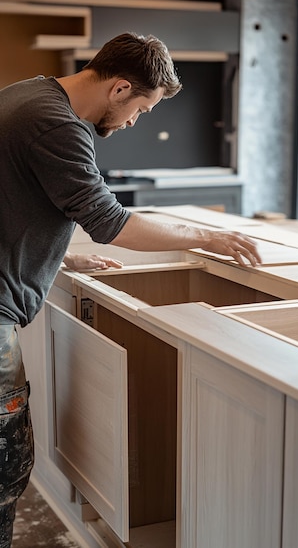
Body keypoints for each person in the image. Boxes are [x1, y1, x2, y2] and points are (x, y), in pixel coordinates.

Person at [0, 31, 261, 547]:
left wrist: (60, 255)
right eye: (141, 108)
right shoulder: (57, 124)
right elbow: (112, 223)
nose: (135, 120)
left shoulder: (27, 94)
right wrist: (210, 235)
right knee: (5, 468)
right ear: (120, 89)